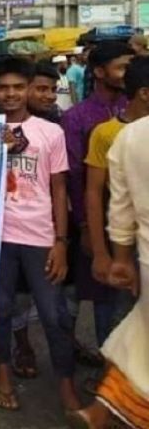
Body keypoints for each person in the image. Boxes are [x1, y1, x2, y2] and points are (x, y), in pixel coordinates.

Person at [0, 57, 79, 412]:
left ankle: (67, 388)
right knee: (0, 309)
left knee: (54, 315)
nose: (10, 94)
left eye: (17, 87)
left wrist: (61, 242)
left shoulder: (50, 132)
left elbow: (59, 188)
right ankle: (3, 377)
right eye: (3, 88)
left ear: (28, 88)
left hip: (40, 236)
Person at [67, 115, 149, 429]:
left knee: (139, 337)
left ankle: (100, 411)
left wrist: (122, 257)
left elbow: (120, 205)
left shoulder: (132, 136)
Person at [62, 41, 132, 347]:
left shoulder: (136, 109)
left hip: (136, 221)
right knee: (104, 296)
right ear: (100, 72)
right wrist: (86, 228)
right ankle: (106, 359)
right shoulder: (77, 117)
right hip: (97, 219)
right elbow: (76, 177)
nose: (129, 73)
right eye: (122, 67)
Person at [84, 57, 149, 291]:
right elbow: (95, 193)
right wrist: (101, 252)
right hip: (128, 243)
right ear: (144, 93)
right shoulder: (109, 134)